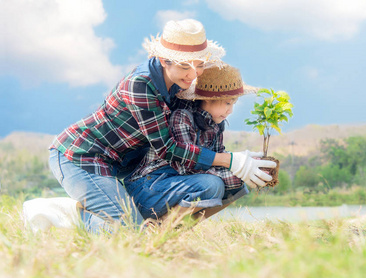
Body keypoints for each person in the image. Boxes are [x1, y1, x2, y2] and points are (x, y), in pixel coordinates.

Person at [46, 19, 275, 233]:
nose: (194, 74)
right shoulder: (140, 85)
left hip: (121, 165)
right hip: (81, 157)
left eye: (200, 65)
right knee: (128, 232)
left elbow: (198, 128)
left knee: (143, 227)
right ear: (165, 60)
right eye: (186, 66)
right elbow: (168, 148)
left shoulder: (179, 85)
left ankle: (135, 224)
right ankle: (65, 217)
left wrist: (244, 165)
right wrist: (231, 161)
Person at [124, 64, 266, 222]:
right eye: (227, 103)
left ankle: (174, 229)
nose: (230, 110)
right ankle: (158, 232)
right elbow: (186, 168)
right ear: (208, 99)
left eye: (233, 104)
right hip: (148, 187)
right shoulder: (182, 117)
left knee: (238, 188)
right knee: (212, 184)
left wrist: (246, 168)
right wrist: (237, 173)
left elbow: (218, 159)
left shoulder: (217, 124)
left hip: (175, 185)